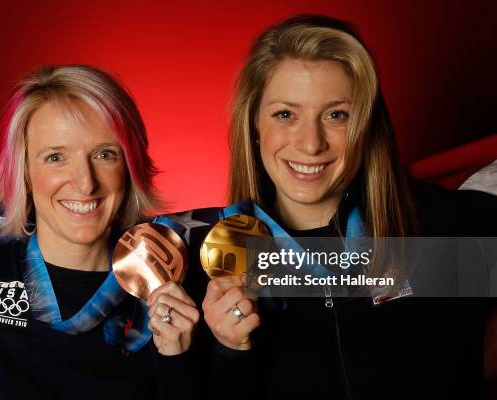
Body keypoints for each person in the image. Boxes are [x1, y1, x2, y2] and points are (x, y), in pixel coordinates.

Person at [199, 15, 497, 399]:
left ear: (367, 126)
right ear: (254, 124)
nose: (311, 144)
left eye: (337, 115)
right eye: (285, 114)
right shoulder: (217, 262)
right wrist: (231, 353)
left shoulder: (444, 229)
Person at [0, 65, 202, 399]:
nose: (85, 182)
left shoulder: (175, 288)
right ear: (23, 172)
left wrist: (177, 360)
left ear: (130, 166)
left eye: (105, 154)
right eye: (55, 157)